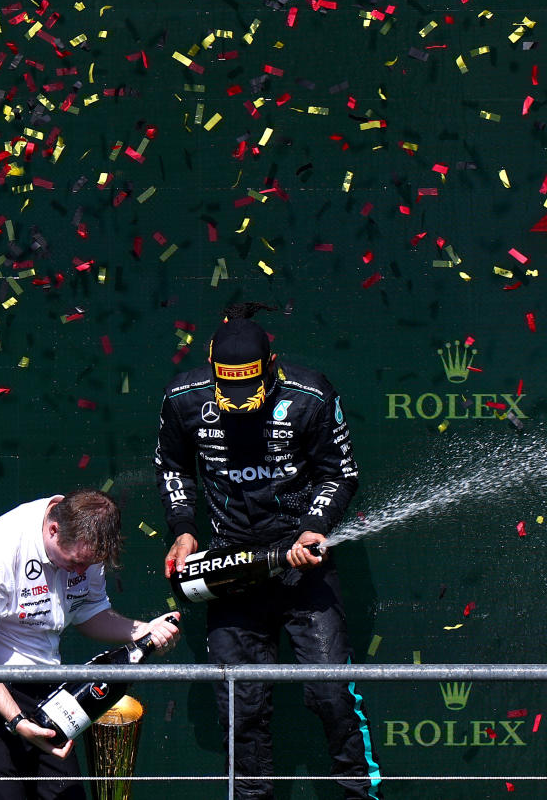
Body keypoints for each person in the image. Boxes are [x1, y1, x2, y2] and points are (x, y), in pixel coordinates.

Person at [155, 302, 380, 800]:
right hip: (230, 571)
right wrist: (185, 530)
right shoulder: (184, 397)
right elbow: (171, 466)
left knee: (331, 695)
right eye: (227, 386)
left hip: (303, 570)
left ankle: (360, 796)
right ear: (212, 367)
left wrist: (314, 527)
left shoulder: (311, 394)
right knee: (241, 705)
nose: (237, 399)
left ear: (271, 366)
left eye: (248, 386)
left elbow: (340, 472)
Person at [0, 490, 182, 800]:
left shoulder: (88, 547)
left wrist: (143, 630)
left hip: (44, 687)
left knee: (67, 795)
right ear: (53, 529)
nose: (81, 571)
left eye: (90, 564)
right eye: (76, 562)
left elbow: (89, 613)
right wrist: (18, 721)